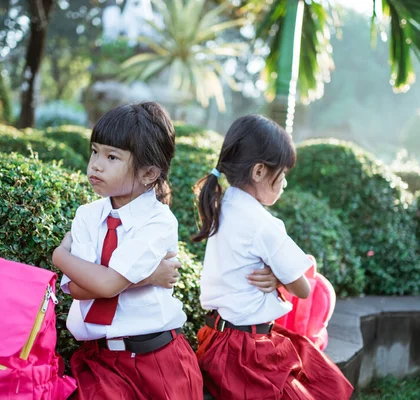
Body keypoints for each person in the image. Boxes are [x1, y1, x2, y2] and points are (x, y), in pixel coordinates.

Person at [192, 114, 354, 399]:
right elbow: (303, 288)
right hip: (246, 354)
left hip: (214, 339)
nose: (284, 184)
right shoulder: (264, 225)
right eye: (282, 175)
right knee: (322, 381)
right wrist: (280, 277)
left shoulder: (221, 203)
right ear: (259, 172)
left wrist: (276, 275)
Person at [51, 102, 203, 400]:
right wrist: (147, 277)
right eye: (94, 151)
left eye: (112, 157)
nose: (96, 164)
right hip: (101, 362)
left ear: (149, 173)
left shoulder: (158, 221)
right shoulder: (88, 215)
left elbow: (106, 285)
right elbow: (82, 289)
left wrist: (59, 256)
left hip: (158, 361)